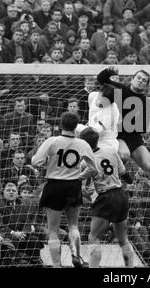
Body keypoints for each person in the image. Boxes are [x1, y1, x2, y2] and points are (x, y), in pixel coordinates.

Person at [96, 67, 150, 217]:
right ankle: (121, 175)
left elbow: (141, 128)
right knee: (123, 155)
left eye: (144, 80)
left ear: (147, 85)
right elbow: (102, 79)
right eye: (139, 78)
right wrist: (110, 71)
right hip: (118, 135)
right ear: (132, 79)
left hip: (134, 137)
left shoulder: (145, 102)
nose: (141, 81)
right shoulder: (121, 89)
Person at [31, 112, 98, 268]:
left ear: (61, 124)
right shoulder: (83, 144)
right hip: (73, 186)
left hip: (54, 185)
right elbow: (94, 168)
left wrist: (48, 161)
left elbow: (36, 162)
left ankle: (56, 265)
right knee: (73, 225)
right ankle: (77, 256)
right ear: (76, 127)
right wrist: (80, 176)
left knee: (53, 229)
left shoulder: (52, 141)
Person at [79, 127, 134, 268]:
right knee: (123, 240)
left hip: (106, 197)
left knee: (94, 237)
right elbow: (124, 174)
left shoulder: (86, 161)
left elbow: (83, 185)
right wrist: (129, 179)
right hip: (121, 195)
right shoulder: (111, 152)